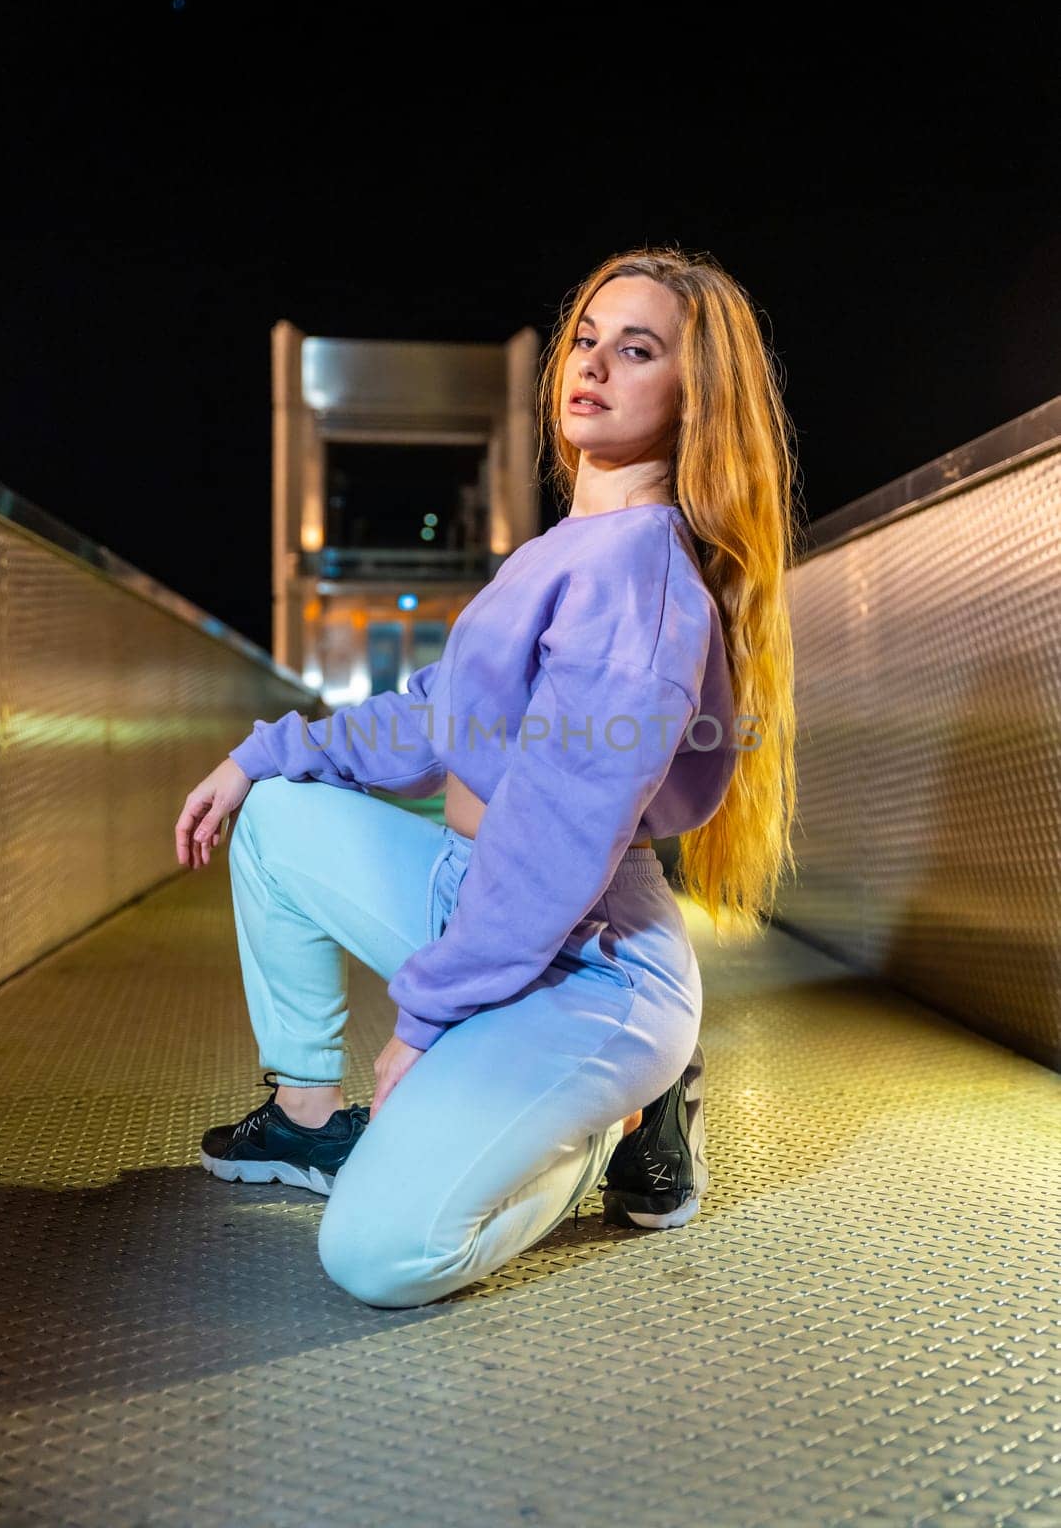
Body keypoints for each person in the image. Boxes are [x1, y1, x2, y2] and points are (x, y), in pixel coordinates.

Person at [173, 245, 800, 1310]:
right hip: (480, 893)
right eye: (586, 341)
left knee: (372, 1254)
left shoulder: (642, 581)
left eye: (635, 349)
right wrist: (259, 752)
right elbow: (433, 714)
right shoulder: (563, 548)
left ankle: (602, 1126)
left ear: (695, 396)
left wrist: (420, 1022)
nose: (592, 365)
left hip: (590, 965)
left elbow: (555, 839)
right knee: (274, 817)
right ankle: (309, 1123)